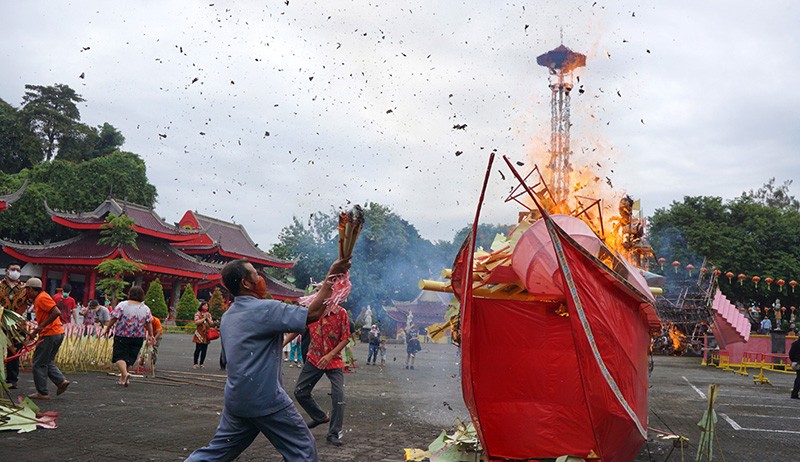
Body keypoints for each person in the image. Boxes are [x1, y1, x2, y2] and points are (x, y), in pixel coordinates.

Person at [186, 256, 350, 462]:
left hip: (237, 398)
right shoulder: (266, 309)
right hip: (265, 397)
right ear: (246, 283)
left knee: (216, 452)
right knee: (303, 450)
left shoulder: (229, 316)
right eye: (256, 274)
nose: (261, 277)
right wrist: (331, 277)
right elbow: (313, 313)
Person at [290, 300, 352, 447]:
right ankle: (319, 417)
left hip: (333, 360)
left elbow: (345, 338)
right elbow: (297, 329)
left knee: (339, 395)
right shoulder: (312, 312)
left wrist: (330, 355)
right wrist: (283, 343)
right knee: (300, 391)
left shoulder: (341, 313)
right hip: (314, 358)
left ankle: (334, 433)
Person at [25, 277, 70, 399]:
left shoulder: (41, 297)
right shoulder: (41, 297)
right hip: (57, 333)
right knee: (47, 361)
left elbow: (56, 312)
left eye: (26, 290)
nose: (26, 293)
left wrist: (41, 327)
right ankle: (61, 381)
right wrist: (36, 332)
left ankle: (42, 392)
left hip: (50, 334)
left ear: (30, 289)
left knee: (38, 363)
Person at [104, 286, 154, 387]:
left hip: (122, 335)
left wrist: (107, 328)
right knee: (130, 357)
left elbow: (114, 318)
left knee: (119, 356)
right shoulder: (145, 308)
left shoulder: (123, 305)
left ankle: (125, 374)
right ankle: (124, 378)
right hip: (138, 336)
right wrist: (151, 335)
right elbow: (149, 323)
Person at [1, 262, 27, 389]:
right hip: (1, 322)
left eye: (18, 270)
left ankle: (12, 379)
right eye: (13, 269)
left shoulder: (25, 288)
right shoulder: (0, 286)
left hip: (17, 325)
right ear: (7, 271)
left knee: (14, 351)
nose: (15, 272)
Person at [192, 300, 215, 369]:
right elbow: (196, 322)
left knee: (204, 349)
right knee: (198, 348)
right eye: (204, 305)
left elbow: (211, 323)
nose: (205, 307)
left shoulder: (209, 314)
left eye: (207, 306)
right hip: (199, 333)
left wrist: (207, 318)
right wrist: (204, 318)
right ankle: (195, 363)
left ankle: (201, 363)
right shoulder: (198, 314)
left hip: (206, 333)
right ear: (201, 306)